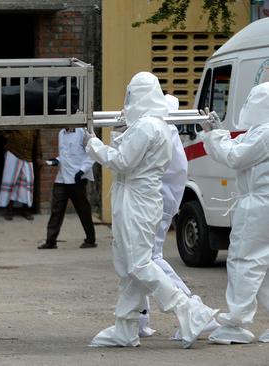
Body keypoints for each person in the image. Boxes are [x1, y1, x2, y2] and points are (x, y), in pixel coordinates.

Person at [84, 72, 217, 349]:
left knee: (139, 263)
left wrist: (94, 145)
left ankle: (189, 310)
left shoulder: (148, 127)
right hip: (136, 198)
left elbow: (121, 161)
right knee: (129, 265)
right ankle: (126, 326)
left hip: (138, 200)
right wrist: (119, 131)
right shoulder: (150, 125)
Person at [138, 94, 219, 338]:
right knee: (138, 262)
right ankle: (138, 318)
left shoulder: (161, 133)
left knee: (148, 260)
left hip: (152, 205)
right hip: (159, 204)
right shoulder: (167, 132)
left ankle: (194, 310)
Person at [200, 82, 269, 344]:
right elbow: (232, 146)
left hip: (258, 206)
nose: (248, 106)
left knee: (243, 261)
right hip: (260, 203)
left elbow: (235, 157)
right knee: (262, 266)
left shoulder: (265, 132)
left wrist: (215, 135)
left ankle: (236, 323)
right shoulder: (259, 131)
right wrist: (215, 133)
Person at [39, 127, 96, 249]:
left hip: (77, 177)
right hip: (62, 177)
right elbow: (65, 155)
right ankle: (50, 241)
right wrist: (56, 161)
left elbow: (92, 153)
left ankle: (90, 239)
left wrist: (82, 171)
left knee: (83, 209)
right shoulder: (61, 133)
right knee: (56, 209)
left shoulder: (84, 132)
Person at [0, 130, 37, 221]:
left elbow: (37, 141)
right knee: (11, 181)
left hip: (27, 155)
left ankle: (25, 209)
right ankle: (9, 209)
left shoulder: (34, 122)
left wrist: (39, 156)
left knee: (28, 181)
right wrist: (8, 136)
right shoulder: (15, 116)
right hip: (13, 152)